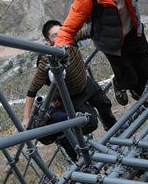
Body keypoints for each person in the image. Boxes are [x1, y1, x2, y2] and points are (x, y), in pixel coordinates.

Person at [55, 0, 148, 106]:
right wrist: (58, 54)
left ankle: (137, 91)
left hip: (133, 32)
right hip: (110, 41)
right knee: (129, 77)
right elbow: (67, 29)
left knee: (146, 66)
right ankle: (120, 85)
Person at [21, 20, 116, 160]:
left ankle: (114, 130)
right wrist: (26, 117)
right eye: (54, 35)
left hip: (86, 83)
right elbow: (32, 90)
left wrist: (110, 23)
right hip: (72, 96)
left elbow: (89, 31)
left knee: (104, 103)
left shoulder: (70, 38)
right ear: (48, 41)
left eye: (61, 32)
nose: (60, 37)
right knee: (90, 123)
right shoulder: (46, 61)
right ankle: (67, 139)